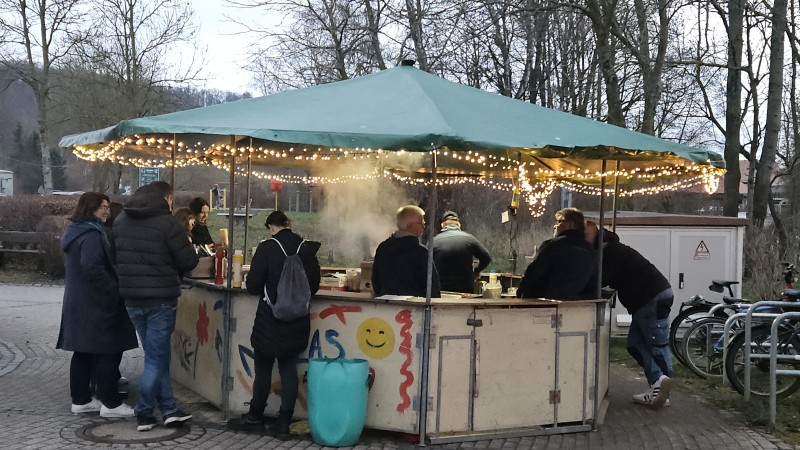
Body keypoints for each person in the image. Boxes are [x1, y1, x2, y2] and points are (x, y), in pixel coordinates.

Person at [112, 181, 199, 431]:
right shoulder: (168, 223)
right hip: (161, 300)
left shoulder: (120, 221)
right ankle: (144, 412)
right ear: (167, 198)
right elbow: (188, 261)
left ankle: (169, 409)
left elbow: (112, 256)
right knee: (156, 358)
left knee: (155, 356)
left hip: (132, 299)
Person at [227, 211, 321, 439]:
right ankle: (283, 423)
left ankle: (255, 416)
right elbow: (315, 286)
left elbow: (253, 286)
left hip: (269, 319)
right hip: (298, 320)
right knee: (288, 368)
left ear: (271, 226)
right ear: (288, 224)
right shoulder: (306, 248)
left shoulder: (267, 248)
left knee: (264, 368)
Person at [56, 192, 138, 418]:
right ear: (89, 208)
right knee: (107, 351)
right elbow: (93, 268)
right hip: (96, 302)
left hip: (79, 301)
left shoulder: (76, 231)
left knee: (83, 352)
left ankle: (81, 400)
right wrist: (113, 290)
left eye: (108, 207)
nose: (107, 212)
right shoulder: (92, 234)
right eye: (102, 207)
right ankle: (111, 404)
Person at [585, 222, 674, 408]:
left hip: (649, 298)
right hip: (652, 296)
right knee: (635, 344)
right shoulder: (614, 248)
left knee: (656, 345)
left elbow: (602, 279)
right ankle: (659, 384)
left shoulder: (609, 251)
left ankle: (662, 388)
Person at [517, 207, 597, 300]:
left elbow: (534, 272)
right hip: (575, 304)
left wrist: (521, 294)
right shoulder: (591, 251)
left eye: (560, 221)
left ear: (570, 224)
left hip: (544, 301)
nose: (556, 226)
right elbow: (593, 283)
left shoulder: (554, 245)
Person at [372, 205, 441, 298]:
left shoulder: (382, 248)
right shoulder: (421, 252)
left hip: (385, 304)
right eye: (421, 223)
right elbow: (432, 288)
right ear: (410, 226)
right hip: (414, 305)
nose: (424, 226)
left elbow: (376, 282)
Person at [432, 210, 491, 293]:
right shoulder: (469, 239)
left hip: (440, 290)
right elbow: (486, 258)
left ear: (442, 225)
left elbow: (425, 263)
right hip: (465, 291)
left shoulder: (434, 241)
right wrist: (476, 271)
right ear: (459, 224)